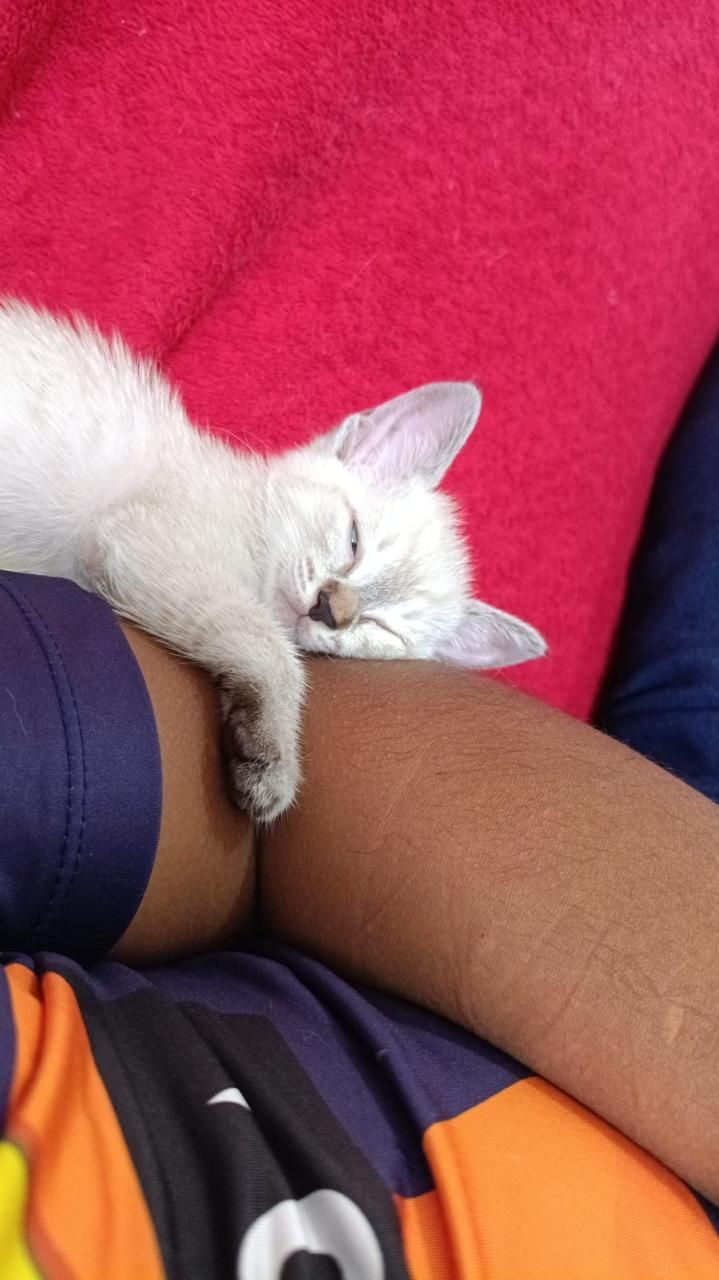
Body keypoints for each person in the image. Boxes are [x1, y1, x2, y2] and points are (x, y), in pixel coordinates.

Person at [1, 351, 718, 1277]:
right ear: (353, 448)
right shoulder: (208, 490)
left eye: (378, 626)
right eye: (347, 546)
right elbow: (131, 547)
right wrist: (266, 669)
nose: (338, 603)